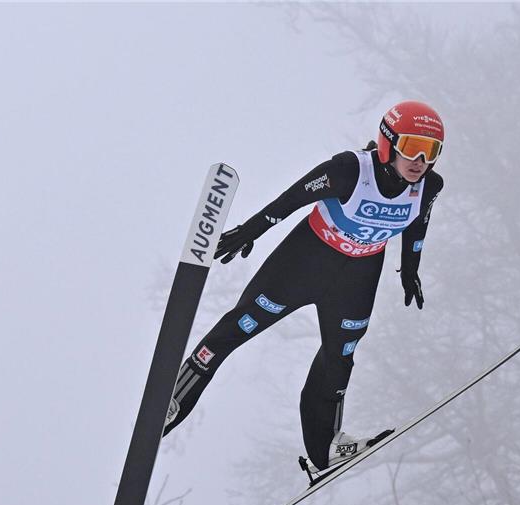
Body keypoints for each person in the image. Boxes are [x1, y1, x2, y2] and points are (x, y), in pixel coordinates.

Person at [162, 101, 445, 475]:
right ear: (388, 143)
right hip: (305, 263)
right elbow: (292, 199)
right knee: (238, 327)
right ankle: (172, 402)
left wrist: (410, 269)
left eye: (432, 151)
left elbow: (416, 227)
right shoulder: (348, 170)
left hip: (357, 278)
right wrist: (249, 231)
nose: (420, 160)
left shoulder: (428, 186)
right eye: (412, 146)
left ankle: (325, 448)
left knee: (339, 359)